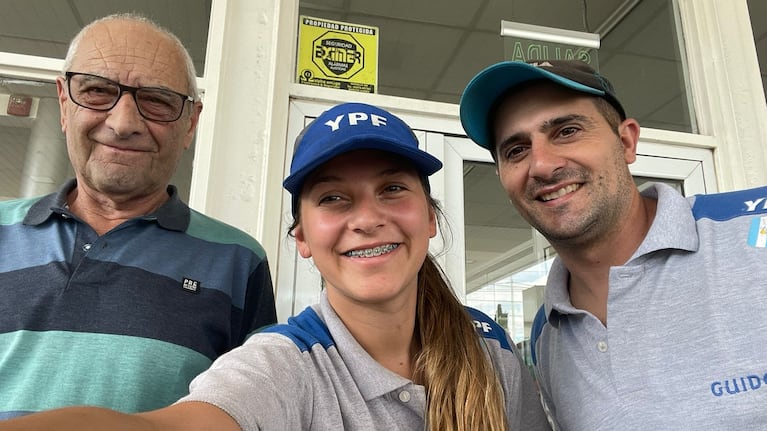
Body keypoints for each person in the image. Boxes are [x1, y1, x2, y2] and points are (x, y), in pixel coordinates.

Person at [0, 102, 552, 430]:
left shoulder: (491, 351)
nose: (367, 218)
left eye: (391, 189)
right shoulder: (284, 364)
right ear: (302, 239)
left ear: (429, 219)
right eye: (334, 199)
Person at [459, 59, 767, 430]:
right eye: (516, 150)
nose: (540, 164)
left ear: (626, 141)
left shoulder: (753, 232)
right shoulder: (548, 335)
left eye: (567, 131)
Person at [0, 13, 277, 419]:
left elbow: (255, 411)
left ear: (190, 124)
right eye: (97, 91)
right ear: (63, 103)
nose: (124, 122)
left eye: (157, 101)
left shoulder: (238, 261)